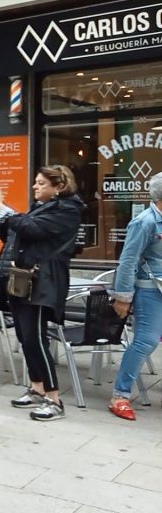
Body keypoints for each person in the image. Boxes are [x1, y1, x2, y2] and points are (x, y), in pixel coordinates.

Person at [0, 165, 83, 422]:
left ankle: (54, 399)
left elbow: (30, 228)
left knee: (36, 338)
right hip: (23, 279)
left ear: (59, 187)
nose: (35, 186)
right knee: (24, 335)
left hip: (43, 281)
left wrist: (2, 208)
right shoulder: (42, 207)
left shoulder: (68, 209)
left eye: (41, 183)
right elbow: (14, 231)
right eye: (36, 182)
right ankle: (37, 387)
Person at [109, 172, 162, 421]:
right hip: (150, 290)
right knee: (146, 341)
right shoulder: (145, 222)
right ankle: (120, 394)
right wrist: (123, 296)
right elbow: (128, 261)